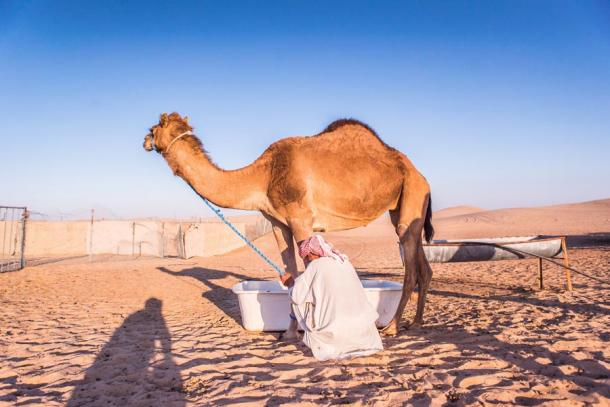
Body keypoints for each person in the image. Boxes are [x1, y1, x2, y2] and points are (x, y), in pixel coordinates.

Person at [285, 235, 383, 361]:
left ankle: (321, 338)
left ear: (312, 254)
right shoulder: (344, 261)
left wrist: (289, 284)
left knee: (299, 300)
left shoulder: (315, 266)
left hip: (335, 334)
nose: (307, 261)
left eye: (307, 257)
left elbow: (296, 297)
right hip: (366, 334)